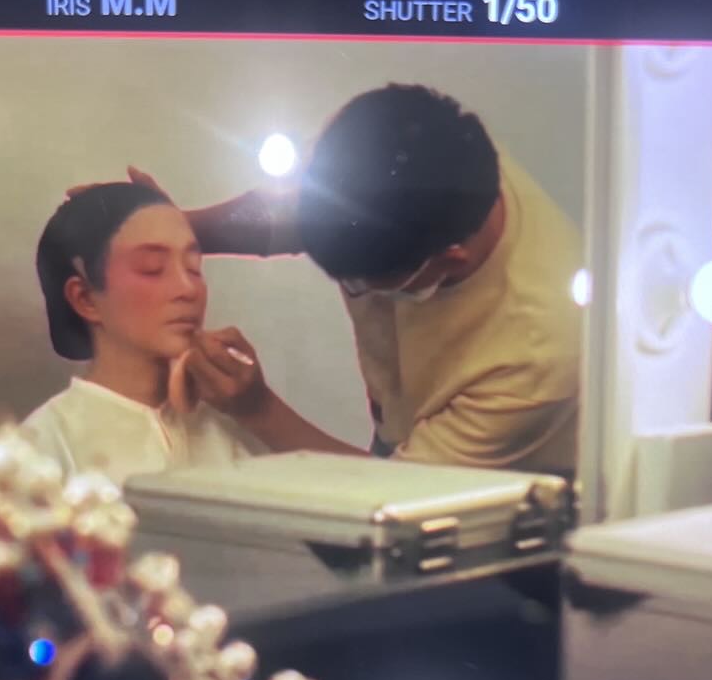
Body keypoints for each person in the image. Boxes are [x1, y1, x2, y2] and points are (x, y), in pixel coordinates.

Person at [131, 83, 584, 474]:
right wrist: (181, 228)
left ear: (448, 260)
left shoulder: (539, 351)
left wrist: (258, 409)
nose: (184, 287)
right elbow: (291, 211)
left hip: (505, 484)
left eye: (360, 284)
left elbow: (398, 493)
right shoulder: (382, 141)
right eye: (152, 268)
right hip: (401, 435)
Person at [23, 182, 261, 484]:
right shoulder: (44, 446)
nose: (188, 289)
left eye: (193, 267)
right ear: (85, 299)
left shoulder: (223, 433)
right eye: (153, 268)